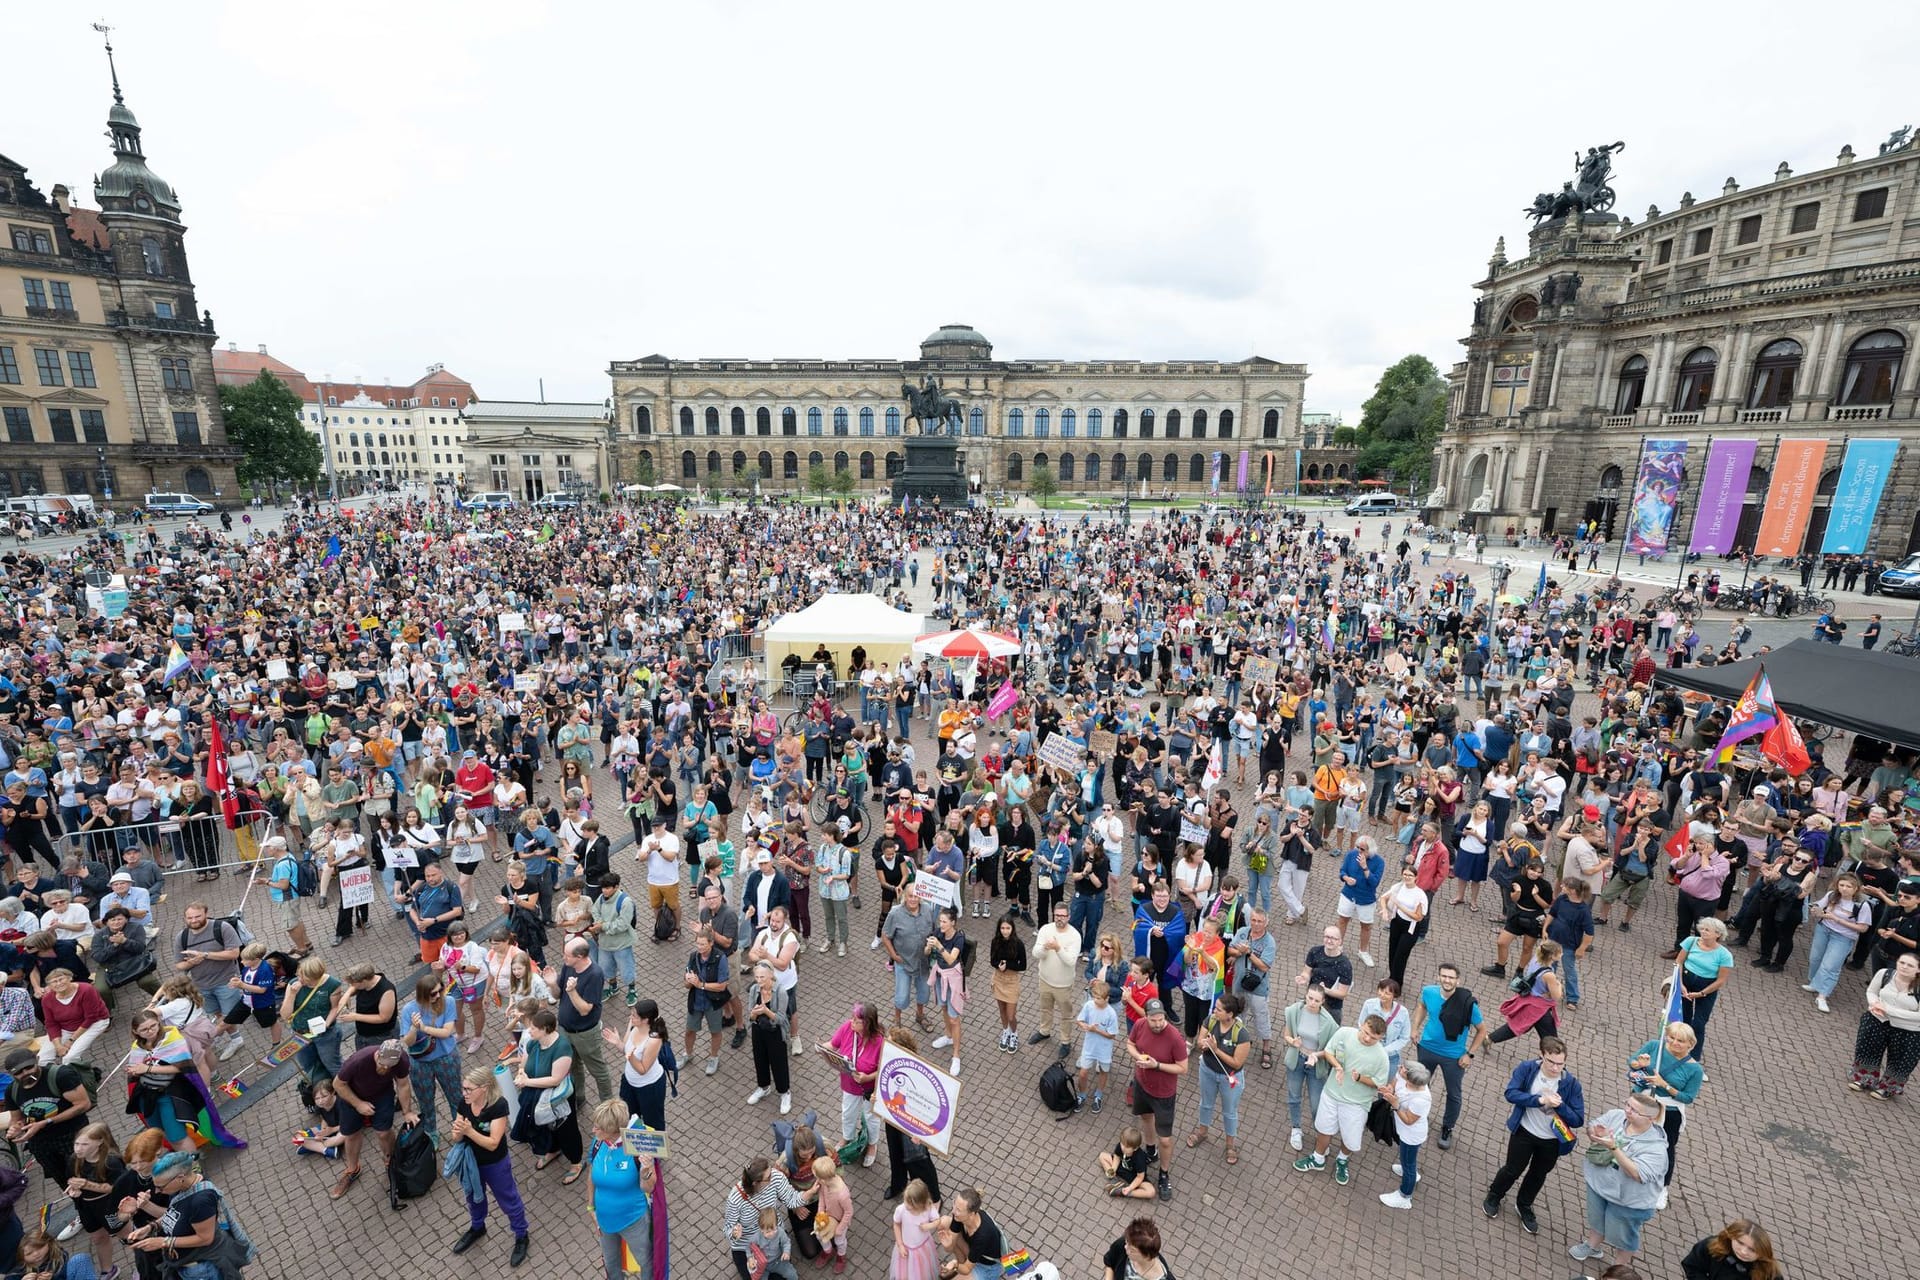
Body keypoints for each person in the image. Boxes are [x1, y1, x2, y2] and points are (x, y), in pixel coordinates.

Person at [1482, 1035, 1585, 1235]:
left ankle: (1524, 1205)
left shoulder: (1571, 1084)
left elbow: (1578, 1119)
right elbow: (1511, 1093)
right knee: (1513, 1168)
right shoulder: (1527, 1069)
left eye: (1560, 1064)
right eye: (1551, 1062)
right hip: (1525, 1131)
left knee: (1538, 1174)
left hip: (1551, 1140)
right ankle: (1495, 1194)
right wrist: (1538, 1100)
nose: (1556, 1068)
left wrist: (1560, 1106)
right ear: (1541, 1056)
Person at [1569, 1092, 1669, 1273]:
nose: (1627, 1111)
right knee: (1597, 1218)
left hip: (1628, 1201)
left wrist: (1613, 1147)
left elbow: (1637, 1174)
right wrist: (1595, 1134)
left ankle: (1619, 1268)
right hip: (1599, 1185)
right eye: (1628, 1105)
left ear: (1650, 1118)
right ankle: (1592, 1246)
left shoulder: (1656, 1149)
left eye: (1634, 1110)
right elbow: (1593, 1127)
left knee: (1624, 1236)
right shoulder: (1617, 1116)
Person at [124, 1009, 245, 1152]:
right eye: (144, 1029)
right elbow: (137, 1070)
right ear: (135, 1031)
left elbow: (182, 1067)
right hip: (148, 1096)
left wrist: (147, 1069)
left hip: (172, 1094)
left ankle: (193, 1167)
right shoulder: (137, 1046)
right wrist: (134, 1071)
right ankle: (185, 1160)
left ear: (159, 1023)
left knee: (177, 1136)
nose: (150, 1031)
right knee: (161, 1132)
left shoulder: (172, 1039)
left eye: (153, 1026)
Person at [1292, 1012, 1390, 1186]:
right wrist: (1337, 1067)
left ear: (1381, 1037)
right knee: (1324, 1128)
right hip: (1331, 1093)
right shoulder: (1345, 1033)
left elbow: (1378, 1083)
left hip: (1356, 1103)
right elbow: (1329, 1052)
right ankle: (1318, 1158)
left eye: (1373, 1037)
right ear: (1362, 1025)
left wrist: (1360, 1078)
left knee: (1350, 1138)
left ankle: (1342, 1159)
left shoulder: (1381, 1057)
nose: (1367, 1038)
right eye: (1366, 1032)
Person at [450, 1064, 532, 1269]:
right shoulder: (464, 1103)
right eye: (463, 1088)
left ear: (484, 1087)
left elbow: (493, 1142)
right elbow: (455, 1135)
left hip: (495, 1163)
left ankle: (521, 1234)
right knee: (473, 1197)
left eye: (469, 1089)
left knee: (508, 1199)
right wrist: (459, 1132)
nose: (464, 1093)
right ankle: (478, 1227)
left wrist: (468, 1131)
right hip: (472, 1163)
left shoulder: (498, 1106)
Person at [1406, 961, 1488, 1150]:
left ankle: (1447, 1127)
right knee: (1419, 1084)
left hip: (1454, 1056)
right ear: (1438, 977)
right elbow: (1421, 1006)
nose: (1447, 980)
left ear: (1457, 981)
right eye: (1444, 976)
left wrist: (1470, 1054)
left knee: (1454, 1094)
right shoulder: (1429, 992)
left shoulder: (1468, 1004)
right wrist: (1415, 1028)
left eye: (1451, 977)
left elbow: (1482, 1030)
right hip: (1427, 1048)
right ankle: (1415, 1115)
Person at [329, 1038, 420, 1200]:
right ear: (377, 1054)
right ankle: (352, 1169)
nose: (384, 1068)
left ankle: (391, 1161)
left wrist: (407, 1112)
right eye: (382, 1063)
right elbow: (338, 1085)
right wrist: (358, 1104)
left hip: (382, 1094)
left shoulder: (402, 1060)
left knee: (384, 1132)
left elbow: (403, 1085)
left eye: (388, 1066)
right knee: (351, 1134)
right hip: (351, 1095)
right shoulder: (358, 1060)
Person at [1626, 1021, 1701, 1202]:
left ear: (1690, 1044)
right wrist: (1639, 1064)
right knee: (1630, 1136)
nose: (1674, 1043)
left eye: (1680, 1041)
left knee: (1666, 1148)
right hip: (1642, 1101)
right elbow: (1632, 1062)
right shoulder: (1655, 1046)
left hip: (1668, 1111)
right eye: (1672, 1038)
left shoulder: (1695, 1069)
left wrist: (1665, 1085)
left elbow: (1688, 1097)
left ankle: (1662, 1188)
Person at [508, 1007, 584, 1185]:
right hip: (537, 1094)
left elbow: (555, 1079)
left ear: (546, 1029)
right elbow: (523, 1063)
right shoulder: (533, 1042)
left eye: (534, 1028)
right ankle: (554, 1149)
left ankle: (576, 1162)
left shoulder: (562, 1047)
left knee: (566, 1129)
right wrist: (521, 1073)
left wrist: (527, 1083)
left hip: (557, 1098)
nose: (529, 1030)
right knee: (545, 1126)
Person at [585, 1098, 658, 1280]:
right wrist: (590, 1206)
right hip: (604, 1221)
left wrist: (647, 1169)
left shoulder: (636, 1145)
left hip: (633, 1221)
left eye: (598, 1128)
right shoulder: (597, 1143)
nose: (593, 1130)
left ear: (613, 1130)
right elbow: (591, 1175)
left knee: (645, 1262)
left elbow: (648, 1187)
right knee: (611, 1263)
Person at [2, 1049, 93, 1195]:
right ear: (11, 1074)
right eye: (19, 1072)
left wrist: (47, 1121)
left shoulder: (61, 1075)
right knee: (66, 1183)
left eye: (29, 1067)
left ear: (37, 1060)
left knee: (90, 1174)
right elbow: (16, 1119)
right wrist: (16, 1128)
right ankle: (83, 1209)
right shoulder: (12, 1090)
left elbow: (83, 1104)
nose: (25, 1073)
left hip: (73, 1135)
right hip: (42, 1144)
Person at [1125, 997, 1188, 1202]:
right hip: (1142, 1085)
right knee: (1145, 1118)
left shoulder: (1175, 1038)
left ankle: (1164, 1173)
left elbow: (1183, 1068)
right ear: (1147, 1017)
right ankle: (1150, 1151)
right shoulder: (1140, 1025)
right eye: (1154, 1020)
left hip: (1163, 1094)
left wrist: (1157, 1065)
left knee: (1166, 1140)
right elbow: (1130, 1044)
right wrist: (1138, 1057)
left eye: (1161, 1019)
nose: (1158, 1023)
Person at [1186, 991, 1251, 1164]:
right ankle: (1202, 1132)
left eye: (1219, 1009)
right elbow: (1200, 1039)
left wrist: (1216, 1050)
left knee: (1229, 1112)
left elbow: (1237, 1063)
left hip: (1229, 1078)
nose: (1215, 1011)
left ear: (1230, 1015)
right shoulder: (1211, 1020)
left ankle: (1230, 1144)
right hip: (1207, 1070)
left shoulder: (1242, 1034)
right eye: (1216, 1008)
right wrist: (1203, 1044)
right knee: (1205, 1103)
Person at [725, 1156, 814, 1280]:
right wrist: (734, 1234)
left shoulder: (775, 1177)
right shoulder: (735, 1198)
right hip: (748, 1244)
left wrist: (808, 1194)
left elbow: (790, 1200)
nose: (773, 1176)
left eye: (771, 1171)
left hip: (772, 1235)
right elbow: (728, 1227)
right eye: (768, 1177)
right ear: (756, 1183)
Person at [399, 971, 462, 1142]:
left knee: (455, 1097)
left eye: (440, 990)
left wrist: (424, 1028)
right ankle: (431, 1133)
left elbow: (447, 1032)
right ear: (423, 994)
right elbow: (409, 1042)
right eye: (433, 993)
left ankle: (460, 1129)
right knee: (425, 1100)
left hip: (446, 1057)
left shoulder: (447, 1001)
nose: (438, 995)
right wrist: (413, 1027)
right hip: (420, 1062)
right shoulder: (409, 1010)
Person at [552, 938, 614, 1104]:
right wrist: (551, 984)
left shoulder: (595, 974)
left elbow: (585, 1010)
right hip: (565, 1030)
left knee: (598, 1071)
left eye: (567, 955)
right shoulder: (568, 966)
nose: (563, 958)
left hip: (585, 1034)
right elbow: (557, 995)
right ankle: (578, 1097)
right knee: (572, 1066)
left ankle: (608, 1105)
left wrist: (572, 991)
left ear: (579, 956)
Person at [1851, 950, 1920, 1098]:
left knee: (1900, 1060)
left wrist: (1889, 1009)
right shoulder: (1885, 974)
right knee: (1868, 1050)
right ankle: (1864, 1078)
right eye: (1902, 962)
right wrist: (1874, 1004)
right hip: (1877, 1020)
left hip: (1907, 1030)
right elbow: (1871, 991)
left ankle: (1888, 1087)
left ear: (1918, 969)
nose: (1904, 967)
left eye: (1910, 965)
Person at [826, 1001, 884, 1167]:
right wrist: (822, 1049)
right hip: (850, 1085)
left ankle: (872, 1144)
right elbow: (832, 1045)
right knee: (848, 1113)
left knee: (871, 1117)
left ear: (867, 1025)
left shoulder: (880, 1042)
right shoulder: (847, 1028)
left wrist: (868, 1077)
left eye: (856, 1020)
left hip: (869, 1089)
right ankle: (847, 1137)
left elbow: (884, 1070)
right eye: (852, 1018)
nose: (851, 1021)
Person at [1281, 983, 1337, 1153]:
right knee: (1294, 1096)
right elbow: (1287, 1034)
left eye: (1317, 1000)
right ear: (1305, 996)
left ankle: (1320, 1134)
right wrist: (1293, 1042)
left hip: (1316, 1064)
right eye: (1310, 998)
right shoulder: (1294, 1011)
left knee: (1317, 1103)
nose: (1312, 1002)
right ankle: (1296, 1128)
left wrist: (1316, 1055)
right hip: (1297, 1058)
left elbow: (1331, 1049)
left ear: (1323, 1001)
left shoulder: (1329, 1023)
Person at [1676, 918, 1734, 1069]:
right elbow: (1679, 962)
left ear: (1718, 934)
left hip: (1706, 989)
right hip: (1686, 984)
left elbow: (1720, 981)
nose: (1703, 932)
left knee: (1699, 1024)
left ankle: (1694, 1060)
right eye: (1702, 929)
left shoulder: (1724, 955)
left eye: (1707, 930)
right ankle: (1677, 1052)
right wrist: (1680, 984)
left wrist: (1701, 993)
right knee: (1684, 1020)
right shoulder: (1691, 941)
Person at [1375, 1059, 1432, 1209]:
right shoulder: (1403, 1075)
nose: (1399, 1068)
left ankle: (1405, 1196)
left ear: (1410, 1078)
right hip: (1404, 1131)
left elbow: (1408, 1120)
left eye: (1403, 1069)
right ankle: (1408, 1170)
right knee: (1406, 1158)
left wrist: (1396, 1105)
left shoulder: (1421, 1099)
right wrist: (1389, 1089)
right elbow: (1393, 1083)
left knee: (1408, 1163)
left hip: (1411, 1135)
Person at [883, 884, 939, 1035]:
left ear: (920, 897)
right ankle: (897, 1020)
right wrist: (894, 956)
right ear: (904, 897)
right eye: (910, 896)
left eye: (916, 896)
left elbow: (934, 931)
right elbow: (885, 935)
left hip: (923, 962)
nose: (913, 899)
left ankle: (920, 1015)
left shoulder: (928, 910)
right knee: (901, 996)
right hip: (904, 963)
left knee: (924, 993)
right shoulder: (895, 913)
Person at [1030, 900, 1082, 1058]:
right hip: (1044, 979)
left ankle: (1066, 1041)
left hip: (1063, 985)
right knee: (1045, 1008)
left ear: (1069, 916)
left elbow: (1071, 961)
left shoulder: (1075, 936)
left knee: (1066, 1014)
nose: (1059, 918)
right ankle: (1044, 1031)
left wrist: (1058, 948)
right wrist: (1045, 947)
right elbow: (1035, 953)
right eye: (1057, 915)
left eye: (1063, 916)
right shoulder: (1046, 929)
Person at [1227, 908, 1277, 1068]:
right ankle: (1238, 1041)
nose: (1256, 924)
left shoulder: (1269, 942)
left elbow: (1264, 967)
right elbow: (1230, 949)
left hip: (1258, 988)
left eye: (1260, 921)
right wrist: (1238, 952)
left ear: (1266, 922)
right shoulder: (1242, 931)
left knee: (1261, 1016)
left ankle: (1266, 1048)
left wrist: (1248, 953)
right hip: (1239, 983)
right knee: (1239, 1014)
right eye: (1254, 920)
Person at [746, 961, 793, 1114]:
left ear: (771, 975)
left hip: (775, 1032)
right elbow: (751, 1016)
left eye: (762, 977)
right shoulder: (754, 990)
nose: (759, 981)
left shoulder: (780, 992)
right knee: (760, 1059)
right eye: (757, 977)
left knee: (779, 1063)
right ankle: (763, 1087)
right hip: (758, 1030)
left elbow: (781, 1018)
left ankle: (784, 1092)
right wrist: (754, 1014)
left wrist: (766, 1011)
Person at [927, 907, 968, 1076]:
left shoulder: (959, 938)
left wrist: (939, 946)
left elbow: (951, 959)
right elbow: (926, 952)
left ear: (953, 922)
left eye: (944, 921)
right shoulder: (938, 932)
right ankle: (948, 1036)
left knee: (954, 1017)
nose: (941, 925)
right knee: (943, 1007)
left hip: (953, 979)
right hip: (940, 975)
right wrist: (929, 948)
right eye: (940, 921)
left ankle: (956, 1056)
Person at [618, 999, 669, 1134]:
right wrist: (617, 1042)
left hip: (649, 1087)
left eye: (634, 1016)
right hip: (630, 1082)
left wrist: (631, 1057)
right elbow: (625, 1046)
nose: (631, 1017)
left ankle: (654, 1153)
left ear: (645, 1020)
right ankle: (634, 1148)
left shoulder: (654, 1039)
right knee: (628, 1118)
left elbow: (642, 1069)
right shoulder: (635, 1026)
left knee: (652, 1123)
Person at [935, 1186, 1005, 1280]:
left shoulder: (982, 1235)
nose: (953, 1211)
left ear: (971, 1214)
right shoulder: (959, 1215)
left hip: (986, 1267)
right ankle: (961, 1264)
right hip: (973, 1253)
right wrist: (948, 1246)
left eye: (958, 1210)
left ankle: (960, 1268)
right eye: (954, 1204)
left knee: (963, 1271)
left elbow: (967, 1269)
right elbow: (950, 1247)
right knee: (944, 1222)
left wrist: (955, 1264)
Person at [1072, 979, 1120, 1113]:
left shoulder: (1111, 1014)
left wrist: (1096, 1030)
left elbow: (1112, 1035)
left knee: (1104, 1072)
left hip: (1104, 1049)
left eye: (1099, 998)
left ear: (1107, 998)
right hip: (1089, 1047)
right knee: (1082, 1073)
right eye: (1094, 997)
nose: (1096, 1000)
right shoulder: (1089, 1005)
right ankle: (1082, 1095)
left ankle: (1098, 1095)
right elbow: (1079, 1020)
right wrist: (1085, 1026)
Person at [1681, 1219, 1784, 1280]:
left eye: (1752, 1250)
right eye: (1740, 1243)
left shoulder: (1769, 1273)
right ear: (1731, 1236)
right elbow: (1692, 1266)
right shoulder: (1712, 1246)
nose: (1743, 1251)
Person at [890, 1177, 941, 1280]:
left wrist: (929, 1225)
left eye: (911, 1204)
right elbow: (896, 1224)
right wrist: (900, 1244)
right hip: (906, 1247)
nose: (907, 1205)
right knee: (905, 1271)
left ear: (921, 1203)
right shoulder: (901, 1210)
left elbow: (937, 1220)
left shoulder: (928, 1208)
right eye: (905, 1201)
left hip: (923, 1246)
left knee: (923, 1270)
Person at [811, 1154, 854, 1273]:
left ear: (823, 1179)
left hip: (840, 1221)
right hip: (827, 1216)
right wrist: (820, 1212)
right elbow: (822, 1197)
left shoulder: (842, 1194)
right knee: (819, 1234)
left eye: (817, 1177)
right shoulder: (825, 1184)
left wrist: (840, 1228)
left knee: (839, 1241)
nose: (817, 1180)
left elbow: (849, 1212)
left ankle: (841, 1255)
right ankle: (828, 1251)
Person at [1101, 1216, 1175, 1280]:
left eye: (1132, 1250)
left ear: (1147, 1256)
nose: (1125, 1247)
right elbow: (1110, 1262)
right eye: (1127, 1242)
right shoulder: (1125, 1243)